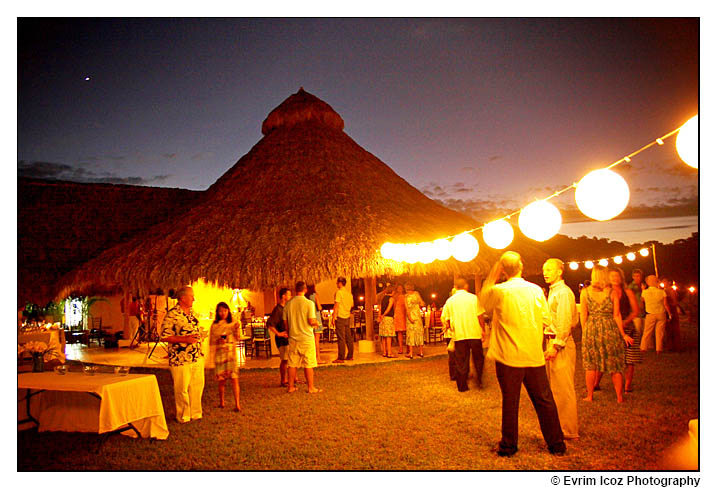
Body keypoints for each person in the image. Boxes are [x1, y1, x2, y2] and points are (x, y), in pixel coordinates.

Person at [481, 251, 566, 457]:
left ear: (503, 270)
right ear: (522, 267)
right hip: (532, 353)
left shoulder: (498, 291)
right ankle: (556, 444)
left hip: (509, 357)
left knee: (510, 402)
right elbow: (546, 320)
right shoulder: (536, 290)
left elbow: (484, 303)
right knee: (544, 400)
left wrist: (494, 272)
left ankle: (509, 446)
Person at [580, 266, 633, 403]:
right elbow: (616, 315)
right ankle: (619, 397)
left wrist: (585, 331)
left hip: (592, 328)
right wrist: (622, 334)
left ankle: (590, 396)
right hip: (610, 328)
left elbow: (584, 314)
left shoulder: (585, 292)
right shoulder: (612, 292)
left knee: (591, 364)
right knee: (614, 364)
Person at [542, 259, 579, 439]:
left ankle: (569, 430)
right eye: (544, 270)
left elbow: (566, 322)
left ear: (559, 272)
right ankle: (560, 427)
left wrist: (556, 345)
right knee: (555, 388)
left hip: (560, 344)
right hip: (552, 341)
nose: (545, 272)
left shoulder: (563, 293)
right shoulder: (554, 292)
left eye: (549, 269)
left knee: (563, 389)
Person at [161, 286, 205, 423]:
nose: (194, 299)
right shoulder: (172, 315)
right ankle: (183, 415)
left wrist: (200, 336)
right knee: (182, 388)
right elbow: (164, 336)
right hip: (180, 358)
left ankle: (195, 412)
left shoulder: (193, 313)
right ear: (182, 298)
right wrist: (185, 339)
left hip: (196, 355)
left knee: (197, 385)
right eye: (191, 296)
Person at [441, 277, 486, 392]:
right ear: (466, 286)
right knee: (478, 358)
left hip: (459, 334)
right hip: (474, 332)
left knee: (461, 360)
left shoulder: (450, 301)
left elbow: (446, 318)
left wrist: (451, 328)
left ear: (455, 287)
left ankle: (462, 386)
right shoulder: (473, 298)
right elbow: (479, 315)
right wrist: (483, 330)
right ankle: (479, 380)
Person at [607, 268, 642, 393]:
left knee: (630, 358)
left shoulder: (627, 292)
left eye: (617, 276)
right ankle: (596, 384)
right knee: (611, 357)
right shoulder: (606, 292)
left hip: (628, 327)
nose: (614, 279)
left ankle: (627, 385)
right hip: (611, 327)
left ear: (621, 277)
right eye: (612, 276)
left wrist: (625, 322)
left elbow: (636, 311)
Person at [284, 281, 322, 393]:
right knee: (308, 363)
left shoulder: (288, 304)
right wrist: (316, 323)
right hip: (306, 337)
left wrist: (289, 332)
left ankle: (290, 387)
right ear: (305, 290)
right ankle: (311, 387)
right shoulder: (309, 303)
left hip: (293, 337)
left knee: (292, 363)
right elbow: (311, 320)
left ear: (296, 290)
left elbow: (285, 322)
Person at [210, 302, 241, 412]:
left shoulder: (233, 324)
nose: (223, 313)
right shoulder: (215, 326)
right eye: (221, 311)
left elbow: (238, 338)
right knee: (221, 380)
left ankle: (237, 403)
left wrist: (237, 329)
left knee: (234, 379)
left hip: (231, 354)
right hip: (220, 355)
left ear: (228, 311)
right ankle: (222, 401)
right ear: (218, 312)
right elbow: (212, 341)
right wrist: (218, 340)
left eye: (225, 311)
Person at [267, 287, 292, 387]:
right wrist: (278, 333)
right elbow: (270, 323)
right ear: (283, 296)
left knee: (290, 359)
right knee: (285, 359)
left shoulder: (286, 308)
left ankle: (292, 377)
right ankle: (283, 380)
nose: (290, 296)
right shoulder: (278, 310)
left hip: (288, 338)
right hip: (282, 339)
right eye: (289, 295)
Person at [640, 275, 669, 353]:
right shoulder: (662, 292)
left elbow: (642, 301)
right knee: (660, 332)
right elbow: (665, 304)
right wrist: (669, 313)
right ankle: (659, 349)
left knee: (647, 331)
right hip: (661, 313)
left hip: (650, 313)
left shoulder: (645, 292)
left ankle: (643, 347)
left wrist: (643, 289)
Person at [331, 277, 354, 363]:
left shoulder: (339, 293)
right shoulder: (349, 294)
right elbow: (352, 305)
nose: (336, 284)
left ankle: (341, 357)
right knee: (348, 337)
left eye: (337, 283)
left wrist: (333, 317)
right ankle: (350, 355)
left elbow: (336, 305)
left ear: (340, 283)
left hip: (340, 316)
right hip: (347, 316)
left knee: (341, 338)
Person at [307, 284, 327, 364]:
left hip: (308, 318)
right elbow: (319, 307)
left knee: (310, 340)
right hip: (316, 318)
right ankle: (317, 358)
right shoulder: (315, 295)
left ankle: (310, 357)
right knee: (316, 340)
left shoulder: (306, 296)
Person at [404, 283, 426, 359]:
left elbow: (407, 308)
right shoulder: (417, 294)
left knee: (411, 333)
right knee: (419, 332)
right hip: (417, 315)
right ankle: (421, 352)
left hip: (411, 315)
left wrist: (409, 317)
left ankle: (411, 353)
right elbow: (422, 303)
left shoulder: (406, 296)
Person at [661, 277, 681, 352]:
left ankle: (676, 346)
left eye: (665, 281)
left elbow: (675, 302)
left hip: (672, 310)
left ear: (669, 282)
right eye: (663, 281)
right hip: (667, 310)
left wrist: (668, 304)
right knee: (668, 329)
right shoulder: (663, 291)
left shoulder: (671, 291)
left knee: (674, 329)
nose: (664, 283)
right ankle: (670, 346)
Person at [378, 285, 397, 358]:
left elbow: (380, 308)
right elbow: (389, 308)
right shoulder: (391, 299)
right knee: (389, 336)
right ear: (392, 291)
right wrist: (384, 314)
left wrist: (380, 316)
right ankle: (389, 352)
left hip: (383, 318)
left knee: (384, 336)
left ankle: (384, 352)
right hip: (388, 318)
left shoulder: (383, 298)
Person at [392, 284, 408, 354]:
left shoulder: (406, 296)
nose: (400, 289)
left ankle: (408, 347)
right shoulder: (395, 297)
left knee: (408, 332)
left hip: (405, 314)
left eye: (401, 288)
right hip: (398, 314)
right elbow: (394, 306)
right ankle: (401, 348)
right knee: (399, 332)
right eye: (398, 288)